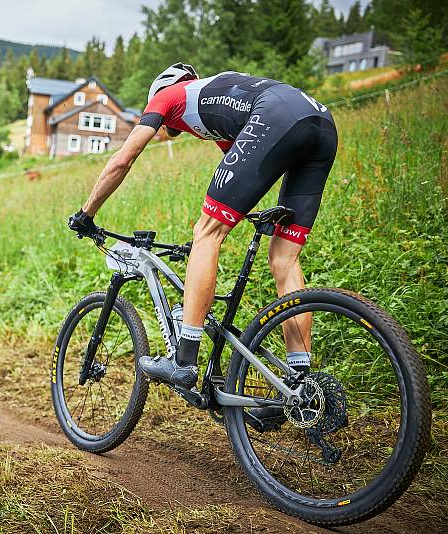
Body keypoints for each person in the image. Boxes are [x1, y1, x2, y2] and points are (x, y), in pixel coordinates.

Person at [68, 63, 337, 415]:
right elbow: (246, 164)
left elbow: (124, 159)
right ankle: (300, 382)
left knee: (206, 233)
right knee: (284, 258)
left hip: (275, 115)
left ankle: (184, 360)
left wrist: (87, 213)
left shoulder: (169, 96)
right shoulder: (216, 99)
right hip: (321, 123)